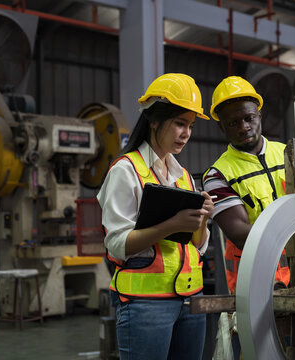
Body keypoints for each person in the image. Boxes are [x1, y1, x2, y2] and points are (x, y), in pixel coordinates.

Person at [97, 73, 215, 360]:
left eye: (189, 125)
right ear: (154, 120)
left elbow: (196, 246)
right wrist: (171, 225)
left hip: (191, 300)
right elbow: (117, 244)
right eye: (179, 123)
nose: (186, 133)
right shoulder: (126, 171)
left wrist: (203, 220)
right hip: (144, 305)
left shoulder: (184, 176)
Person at [203, 75, 295, 294]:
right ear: (221, 126)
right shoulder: (218, 175)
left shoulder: (293, 155)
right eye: (233, 123)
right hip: (259, 285)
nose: (243, 127)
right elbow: (239, 233)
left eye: (248, 118)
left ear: (259, 115)